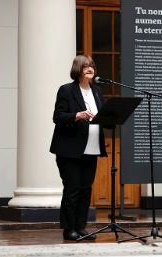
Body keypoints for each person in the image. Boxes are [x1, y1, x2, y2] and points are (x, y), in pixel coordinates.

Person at [50, 55, 107, 241]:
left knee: (85, 189)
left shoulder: (97, 91)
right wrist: (77, 115)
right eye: (85, 67)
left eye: (92, 66)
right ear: (78, 70)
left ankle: (81, 227)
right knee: (72, 189)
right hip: (70, 149)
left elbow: (103, 116)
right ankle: (69, 229)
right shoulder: (66, 90)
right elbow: (58, 117)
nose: (90, 69)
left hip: (91, 147)